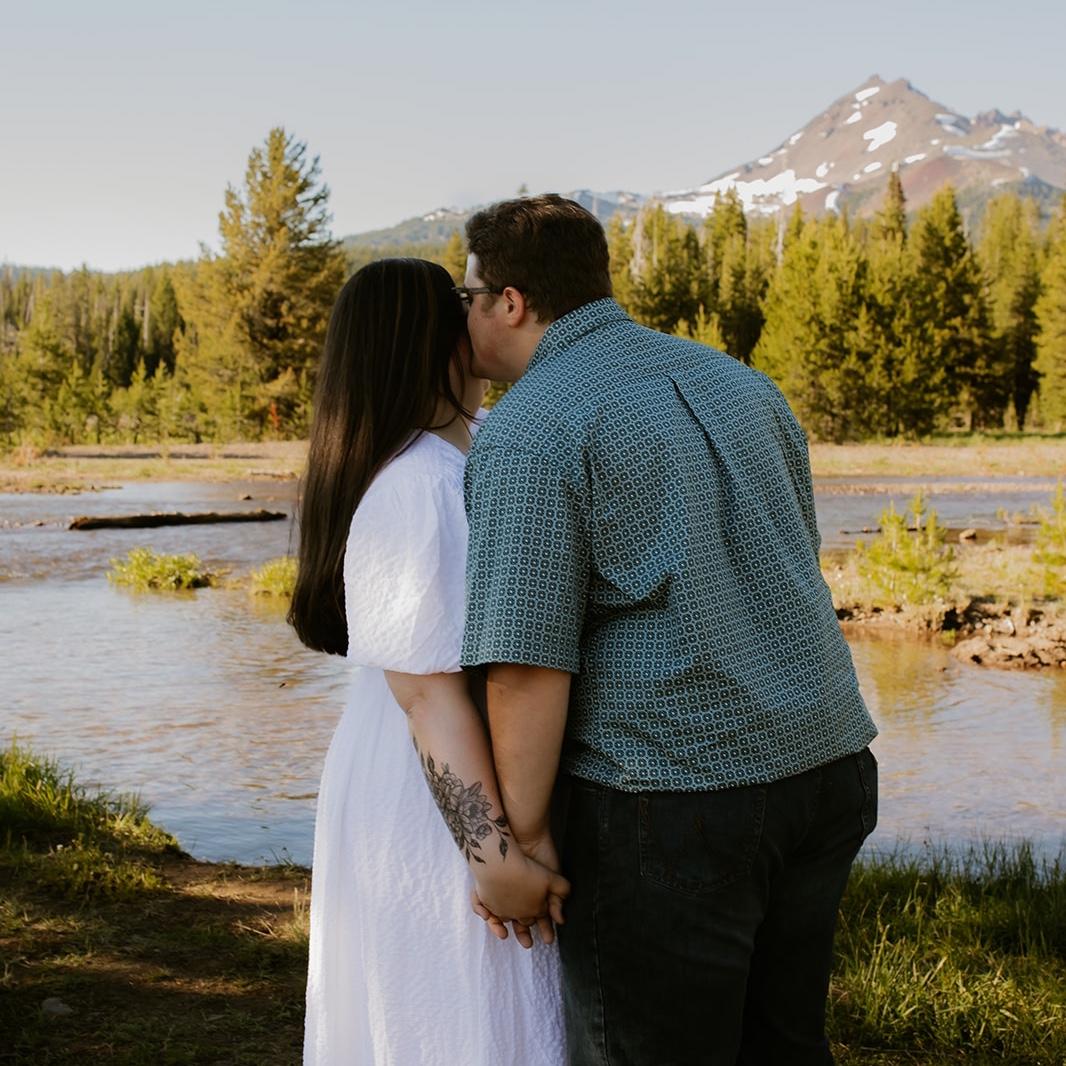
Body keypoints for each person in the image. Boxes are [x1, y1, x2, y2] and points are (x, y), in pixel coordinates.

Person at [460, 195, 880, 1065]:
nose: (463, 318)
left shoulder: (532, 428)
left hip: (676, 795)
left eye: (468, 297)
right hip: (829, 764)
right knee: (785, 1046)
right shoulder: (742, 383)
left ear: (511, 302)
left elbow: (525, 666)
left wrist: (521, 845)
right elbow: (794, 561)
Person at [288, 258, 567, 1066]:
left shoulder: (457, 459)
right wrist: (495, 857)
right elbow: (426, 694)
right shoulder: (418, 484)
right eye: (464, 306)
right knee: (459, 1009)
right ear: (435, 338)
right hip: (432, 782)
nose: (483, 318)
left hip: (432, 759)